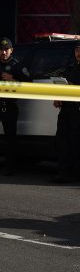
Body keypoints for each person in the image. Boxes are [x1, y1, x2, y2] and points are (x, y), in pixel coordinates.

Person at [0, 37, 31, 175]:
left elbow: (30, 85)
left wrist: (12, 79)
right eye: (1, 50)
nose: (3, 52)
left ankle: (10, 167)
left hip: (8, 106)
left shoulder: (17, 66)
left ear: (11, 50)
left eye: (6, 49)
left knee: (10, 139)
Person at [52, 43, 80, 183]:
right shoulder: (69, 68)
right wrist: (57, 97)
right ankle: (63, 172)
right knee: (62, 141)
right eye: (77, 50)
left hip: (78, 112)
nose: (78, 53)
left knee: (76, 142)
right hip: (66, 110)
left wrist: (73, 87)